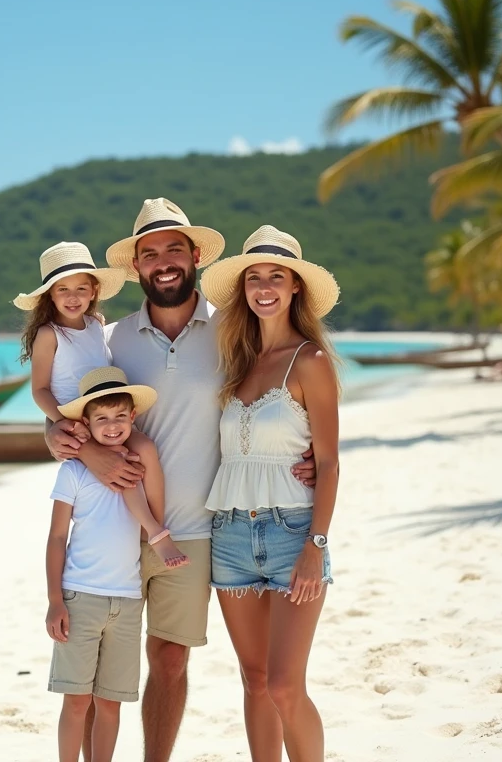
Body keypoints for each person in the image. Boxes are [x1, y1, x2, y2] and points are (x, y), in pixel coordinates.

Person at [45, 198, 317, 762]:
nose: (163, 261)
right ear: (137, 267)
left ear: (195, 255)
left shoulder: (234, 331)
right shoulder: (108, 339)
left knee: (170, 660)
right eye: (150, 253)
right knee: (98, 669)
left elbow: (284, 394)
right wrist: (56, 437)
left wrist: (309, 450)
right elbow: (72, 406)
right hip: (109, 529)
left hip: (195, 530)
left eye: (174, 249)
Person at [200, 225, 341, 762]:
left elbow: (327, 462)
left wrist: (316, 545)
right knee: (254, 681)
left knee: (285, 685)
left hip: (292, 534)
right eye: (254, 277)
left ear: (295, 287)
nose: (264, 286)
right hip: (229, 537)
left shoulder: (311, 361)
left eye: (275, 277)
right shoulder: (234, 363)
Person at [17, 241, 188, 568]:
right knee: (121, 461)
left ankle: (156, 522)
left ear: (94, 290)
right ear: (49, 295)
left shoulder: (96, 325)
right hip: (78, 421)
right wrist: (60, 422)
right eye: (62, 289)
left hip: (107, 416)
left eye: (81, 288)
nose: (72, 296)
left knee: (147, 450)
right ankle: (154, 532)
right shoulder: (48, 335)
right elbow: (39, 389)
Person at [45, 366, 160, 762]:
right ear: (85, 423)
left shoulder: (137, 465)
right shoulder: (73, 472)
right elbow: (57, 537)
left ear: (133, 419)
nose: (112, 427)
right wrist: (55, 600)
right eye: (101, 418)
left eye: (120, 417)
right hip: (81, 598)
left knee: (111, 703)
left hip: (128, 601)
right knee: (77, 701)